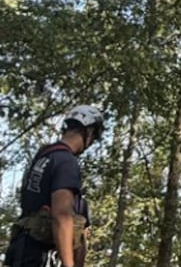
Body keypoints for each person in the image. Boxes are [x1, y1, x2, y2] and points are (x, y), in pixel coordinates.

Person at [3, 105, 105, 267]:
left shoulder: (44, 157)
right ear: (90, 131)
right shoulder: (66, 161)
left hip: (21, 249)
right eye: (94, 137)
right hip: (39, 255)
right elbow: (61, 215)